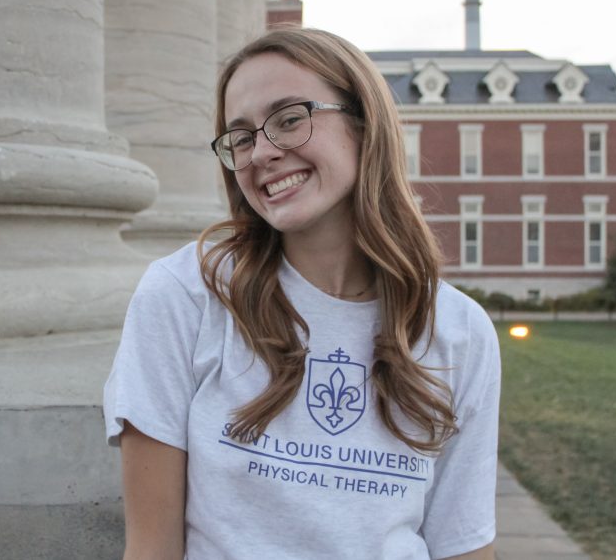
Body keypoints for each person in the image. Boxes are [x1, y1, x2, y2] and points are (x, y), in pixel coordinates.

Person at [104, 27, 500, 560]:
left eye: (289, 119)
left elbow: (463, 546)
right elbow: (152, 550)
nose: (261, 153)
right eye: (240, 137)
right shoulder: (185, 297)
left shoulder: (457, 329)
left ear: (364, 124)